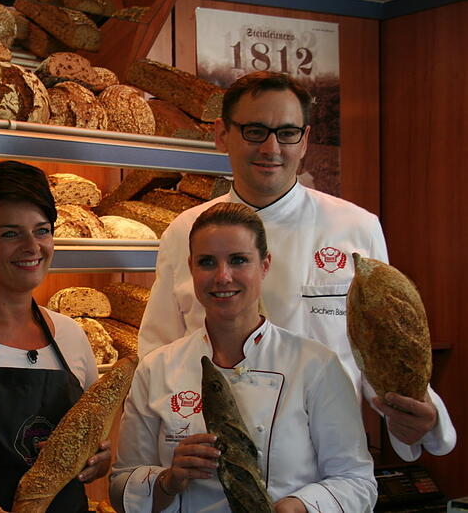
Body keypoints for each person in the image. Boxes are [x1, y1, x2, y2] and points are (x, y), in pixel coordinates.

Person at [138, 71, 456, 461]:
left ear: (304, 140)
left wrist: (424, 418)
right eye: (255, 131)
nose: (271, 148)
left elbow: (381, 350)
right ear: (222, 134)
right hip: (214, 457)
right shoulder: (185, 231)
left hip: (328, 457)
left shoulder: (355, 227)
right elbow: (159, 352)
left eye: (287, 132)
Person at [112, 202, 377, 513]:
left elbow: (356, 481)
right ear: (191, 268)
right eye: (207, 262)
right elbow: (120, 487)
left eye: (239, 260)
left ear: (264, 265)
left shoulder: (316, 365)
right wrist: (169, 480)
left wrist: (299, 506)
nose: (223, 276)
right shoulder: (157, 369)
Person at [0, 160, 109, 513]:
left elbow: (91, 438)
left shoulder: (71, 336)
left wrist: (99, 458)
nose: (32, 246)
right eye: (10, 233)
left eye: (42, 230)